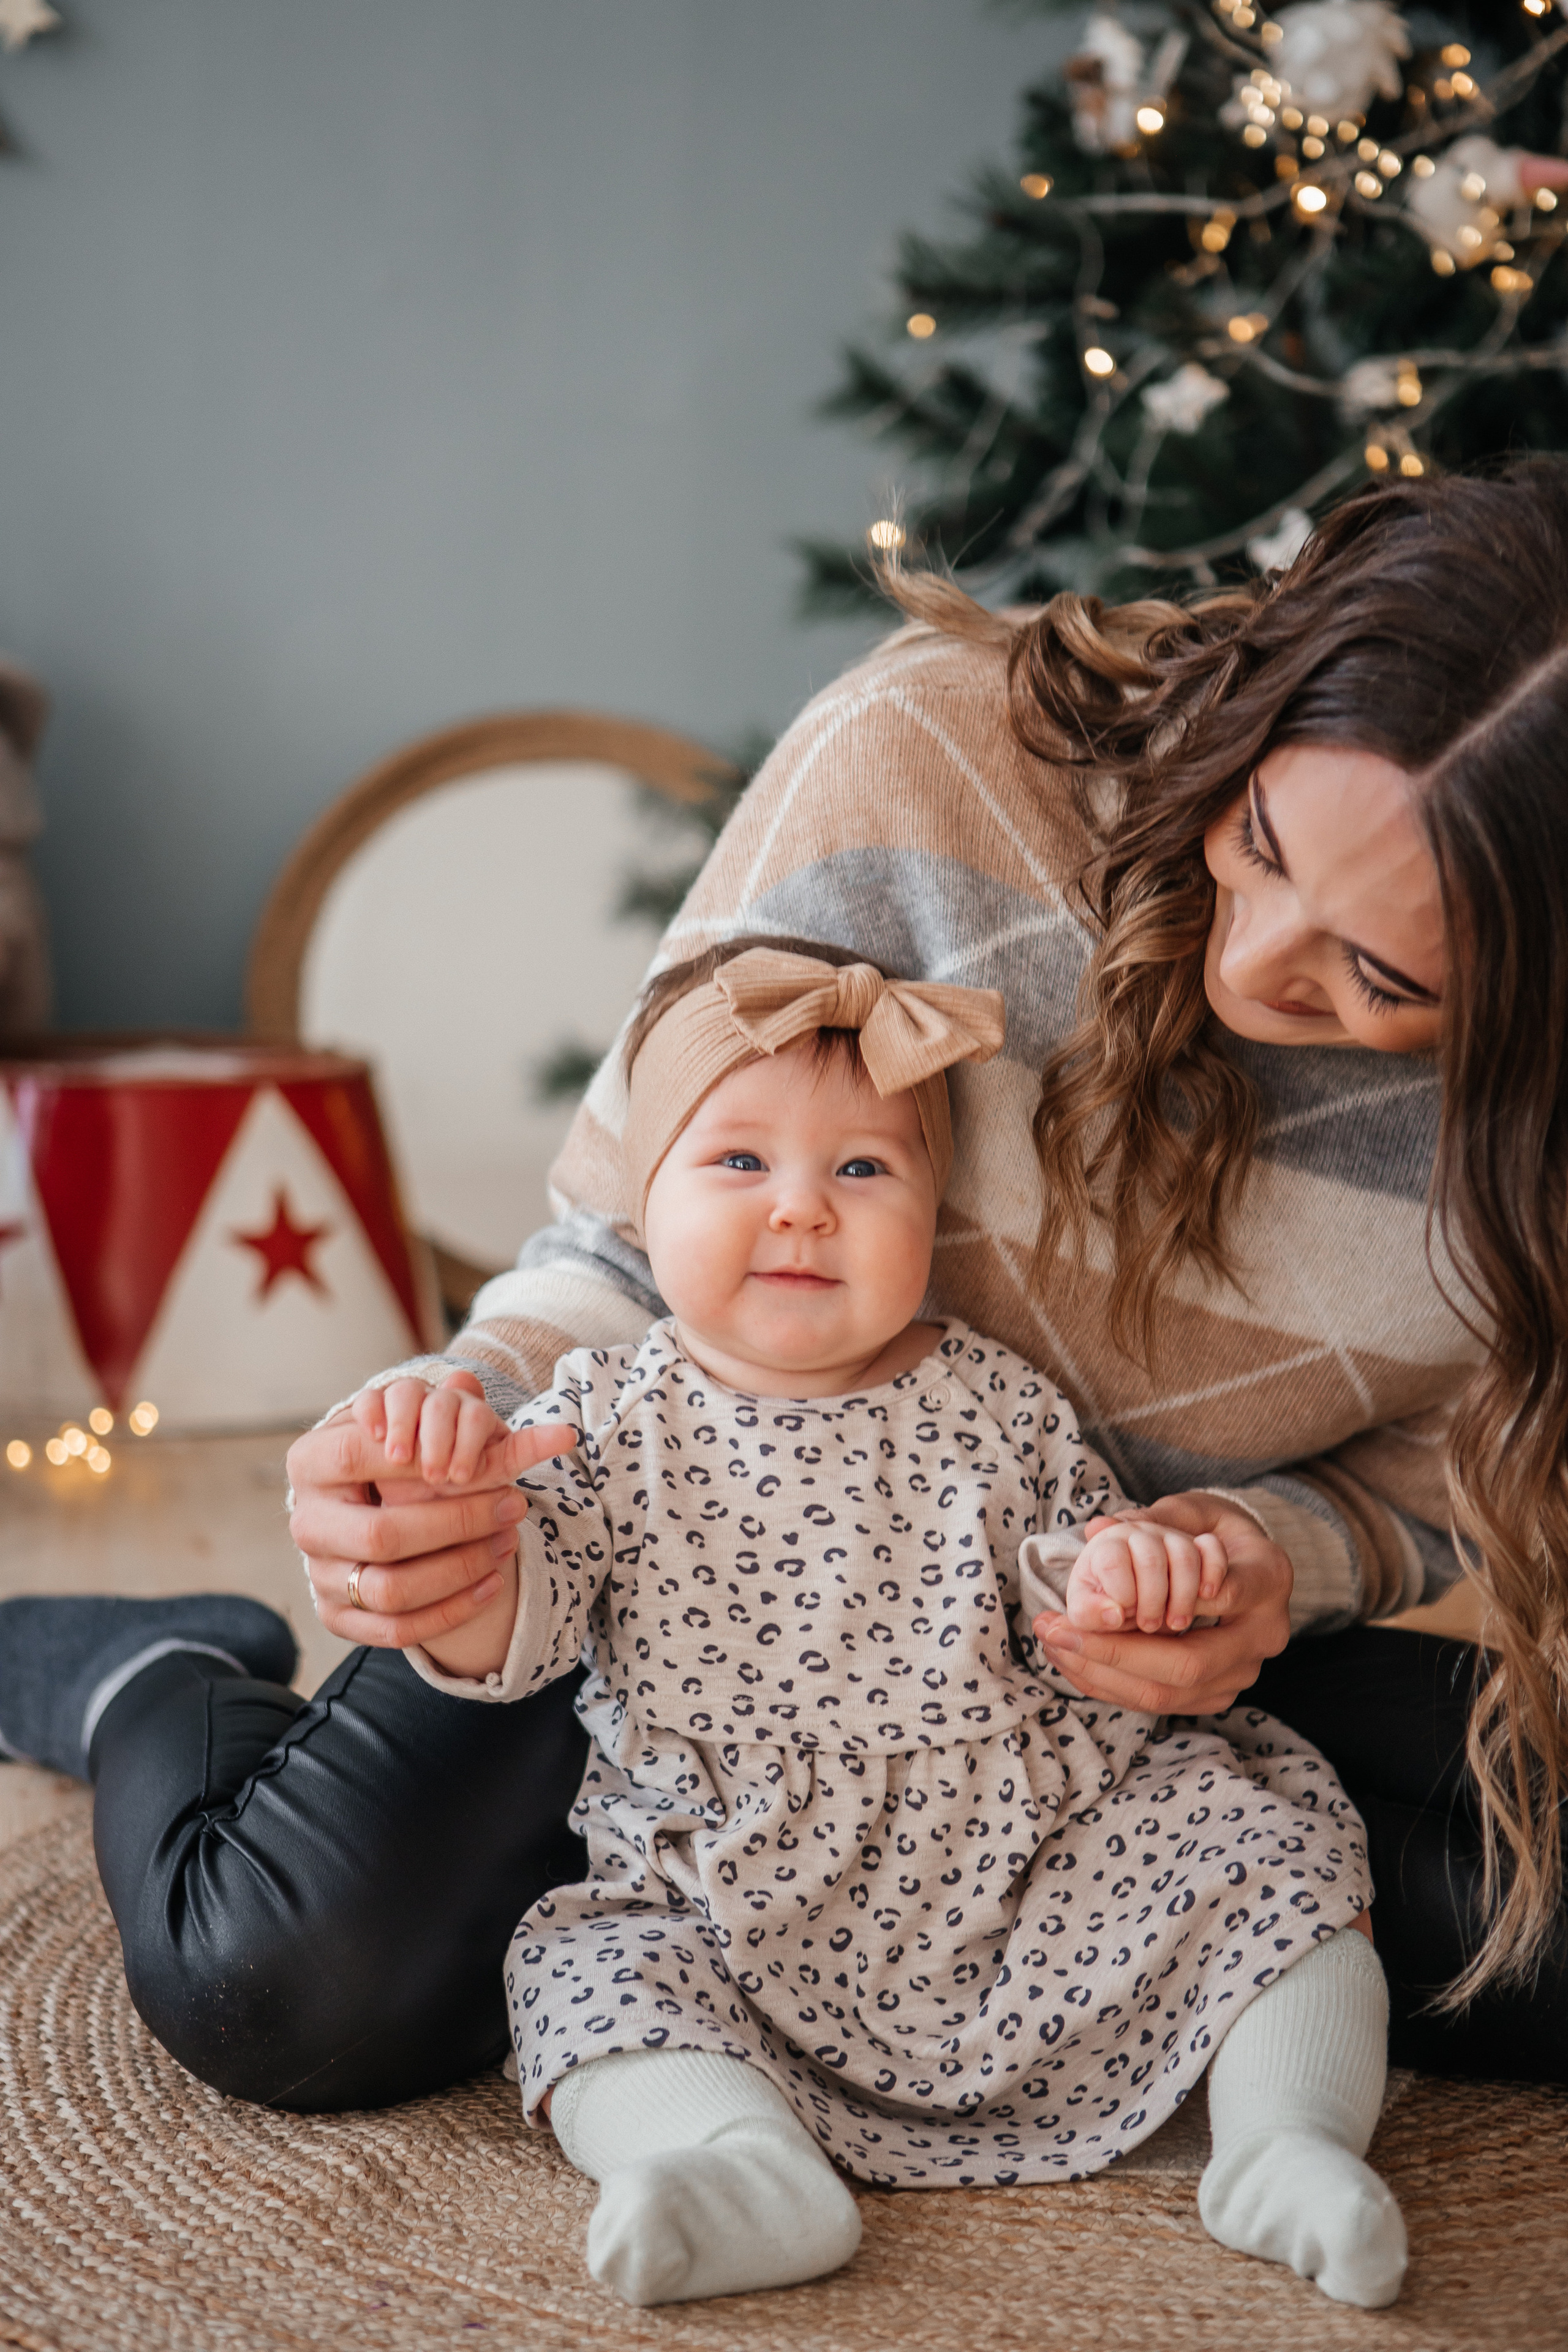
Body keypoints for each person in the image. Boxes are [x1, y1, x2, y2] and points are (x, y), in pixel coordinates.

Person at [3, 462, 1566, 2117]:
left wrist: (1271, 1565)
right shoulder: (933, 758)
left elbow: (1443, 1477)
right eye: (1257, 840)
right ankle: (153, 1672)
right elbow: (625, 1240)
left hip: (1116, 1667)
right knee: (290, 1985)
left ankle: (1082, 1913)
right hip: (687, 1576)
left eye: (1386, 976)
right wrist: (455, 1436)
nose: (1254, 966)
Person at [352, 938, 1401, 2310]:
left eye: (862, 1170)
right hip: (727, 1890)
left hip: (1027, 1860)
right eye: (737, 1165)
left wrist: (1130, 1576)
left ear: (933, 1212)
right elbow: (517, 1635)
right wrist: (456, 1503)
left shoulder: (995, 1400)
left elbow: (1064, 1588)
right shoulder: (600, 1416)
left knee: (1268, 1855)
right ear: (644, 1201)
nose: (802, 1212)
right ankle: (732, 2160)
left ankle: (1285, 2141)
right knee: (588, 1975)